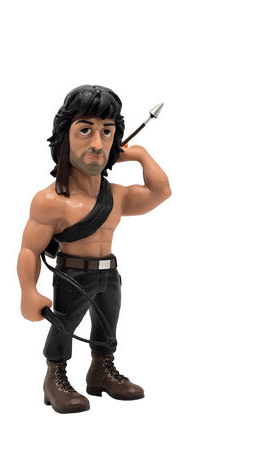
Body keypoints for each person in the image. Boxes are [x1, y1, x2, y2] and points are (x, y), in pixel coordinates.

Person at [17, 85, 171, 413]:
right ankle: (55, 377)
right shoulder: (51, 201)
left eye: (107, 131)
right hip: (73, 275)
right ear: (65, 137)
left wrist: (141, 155)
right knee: (64, 326)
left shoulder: (117, 195)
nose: (98, 144)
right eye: (85, 130)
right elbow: (29, 250)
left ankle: (101, 370)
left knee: (107, 327)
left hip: (109, 274)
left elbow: (160, 191)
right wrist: (28, 291)